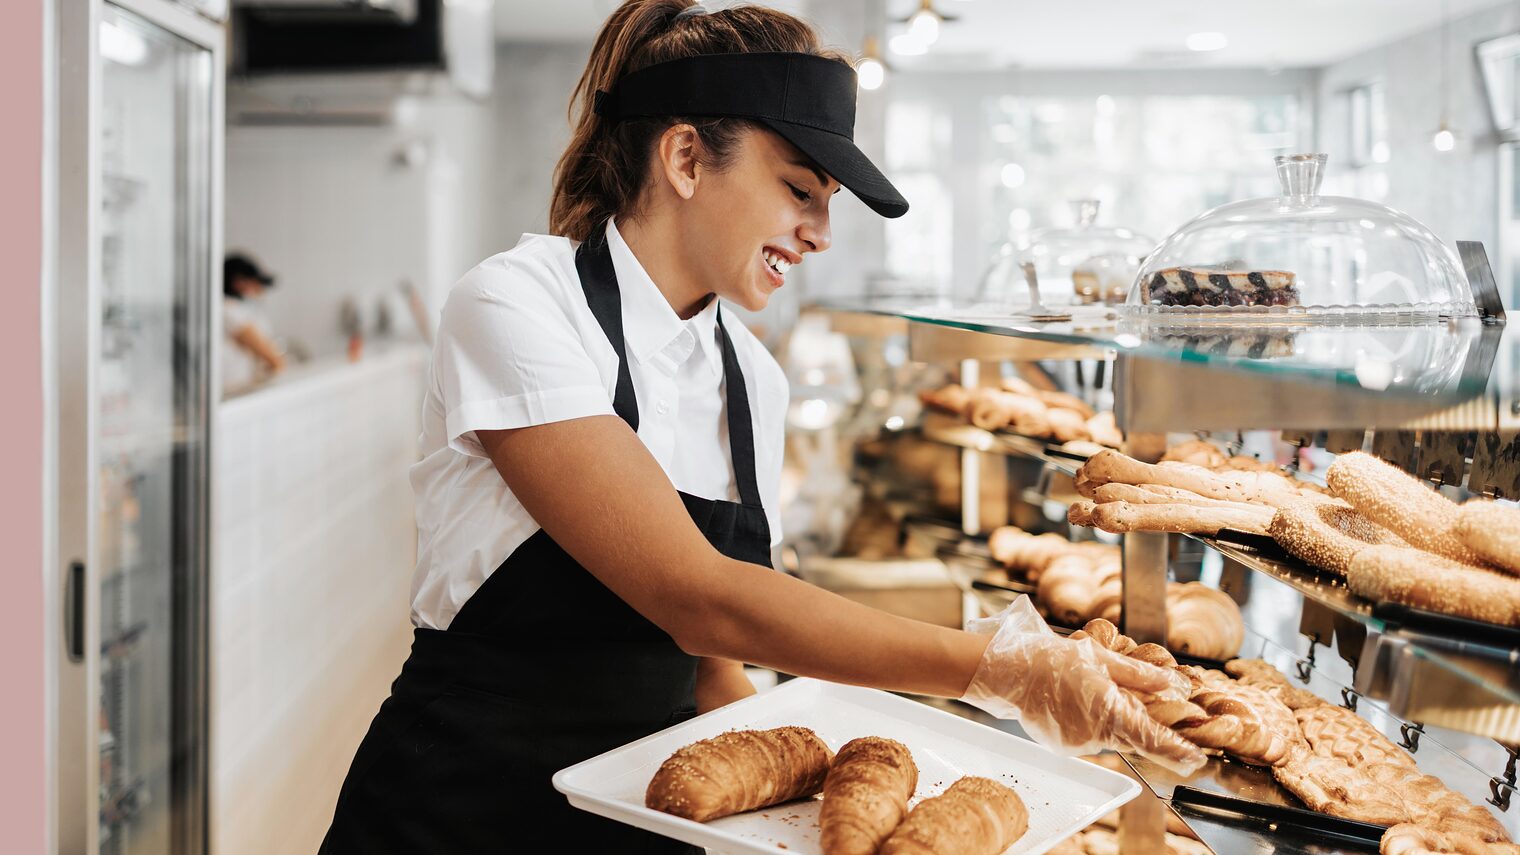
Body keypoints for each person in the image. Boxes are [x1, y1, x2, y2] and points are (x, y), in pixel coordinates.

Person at [319, 3, 1193, 853]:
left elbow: (708, 658)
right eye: (799, 191)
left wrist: (781, 806)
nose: (817, 233)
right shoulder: (516, 304)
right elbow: (696, 594)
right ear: (688, 158)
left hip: (648, 810)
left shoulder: (752, 378)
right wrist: (1003, 668)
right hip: (456, 805)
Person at [221, 252, 285, 392]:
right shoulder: (228, 310)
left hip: (241, 386)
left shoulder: (240, 308)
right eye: (255, 284)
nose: (260, 290)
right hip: (233, 388)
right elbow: (268, 355)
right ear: (239, 282)